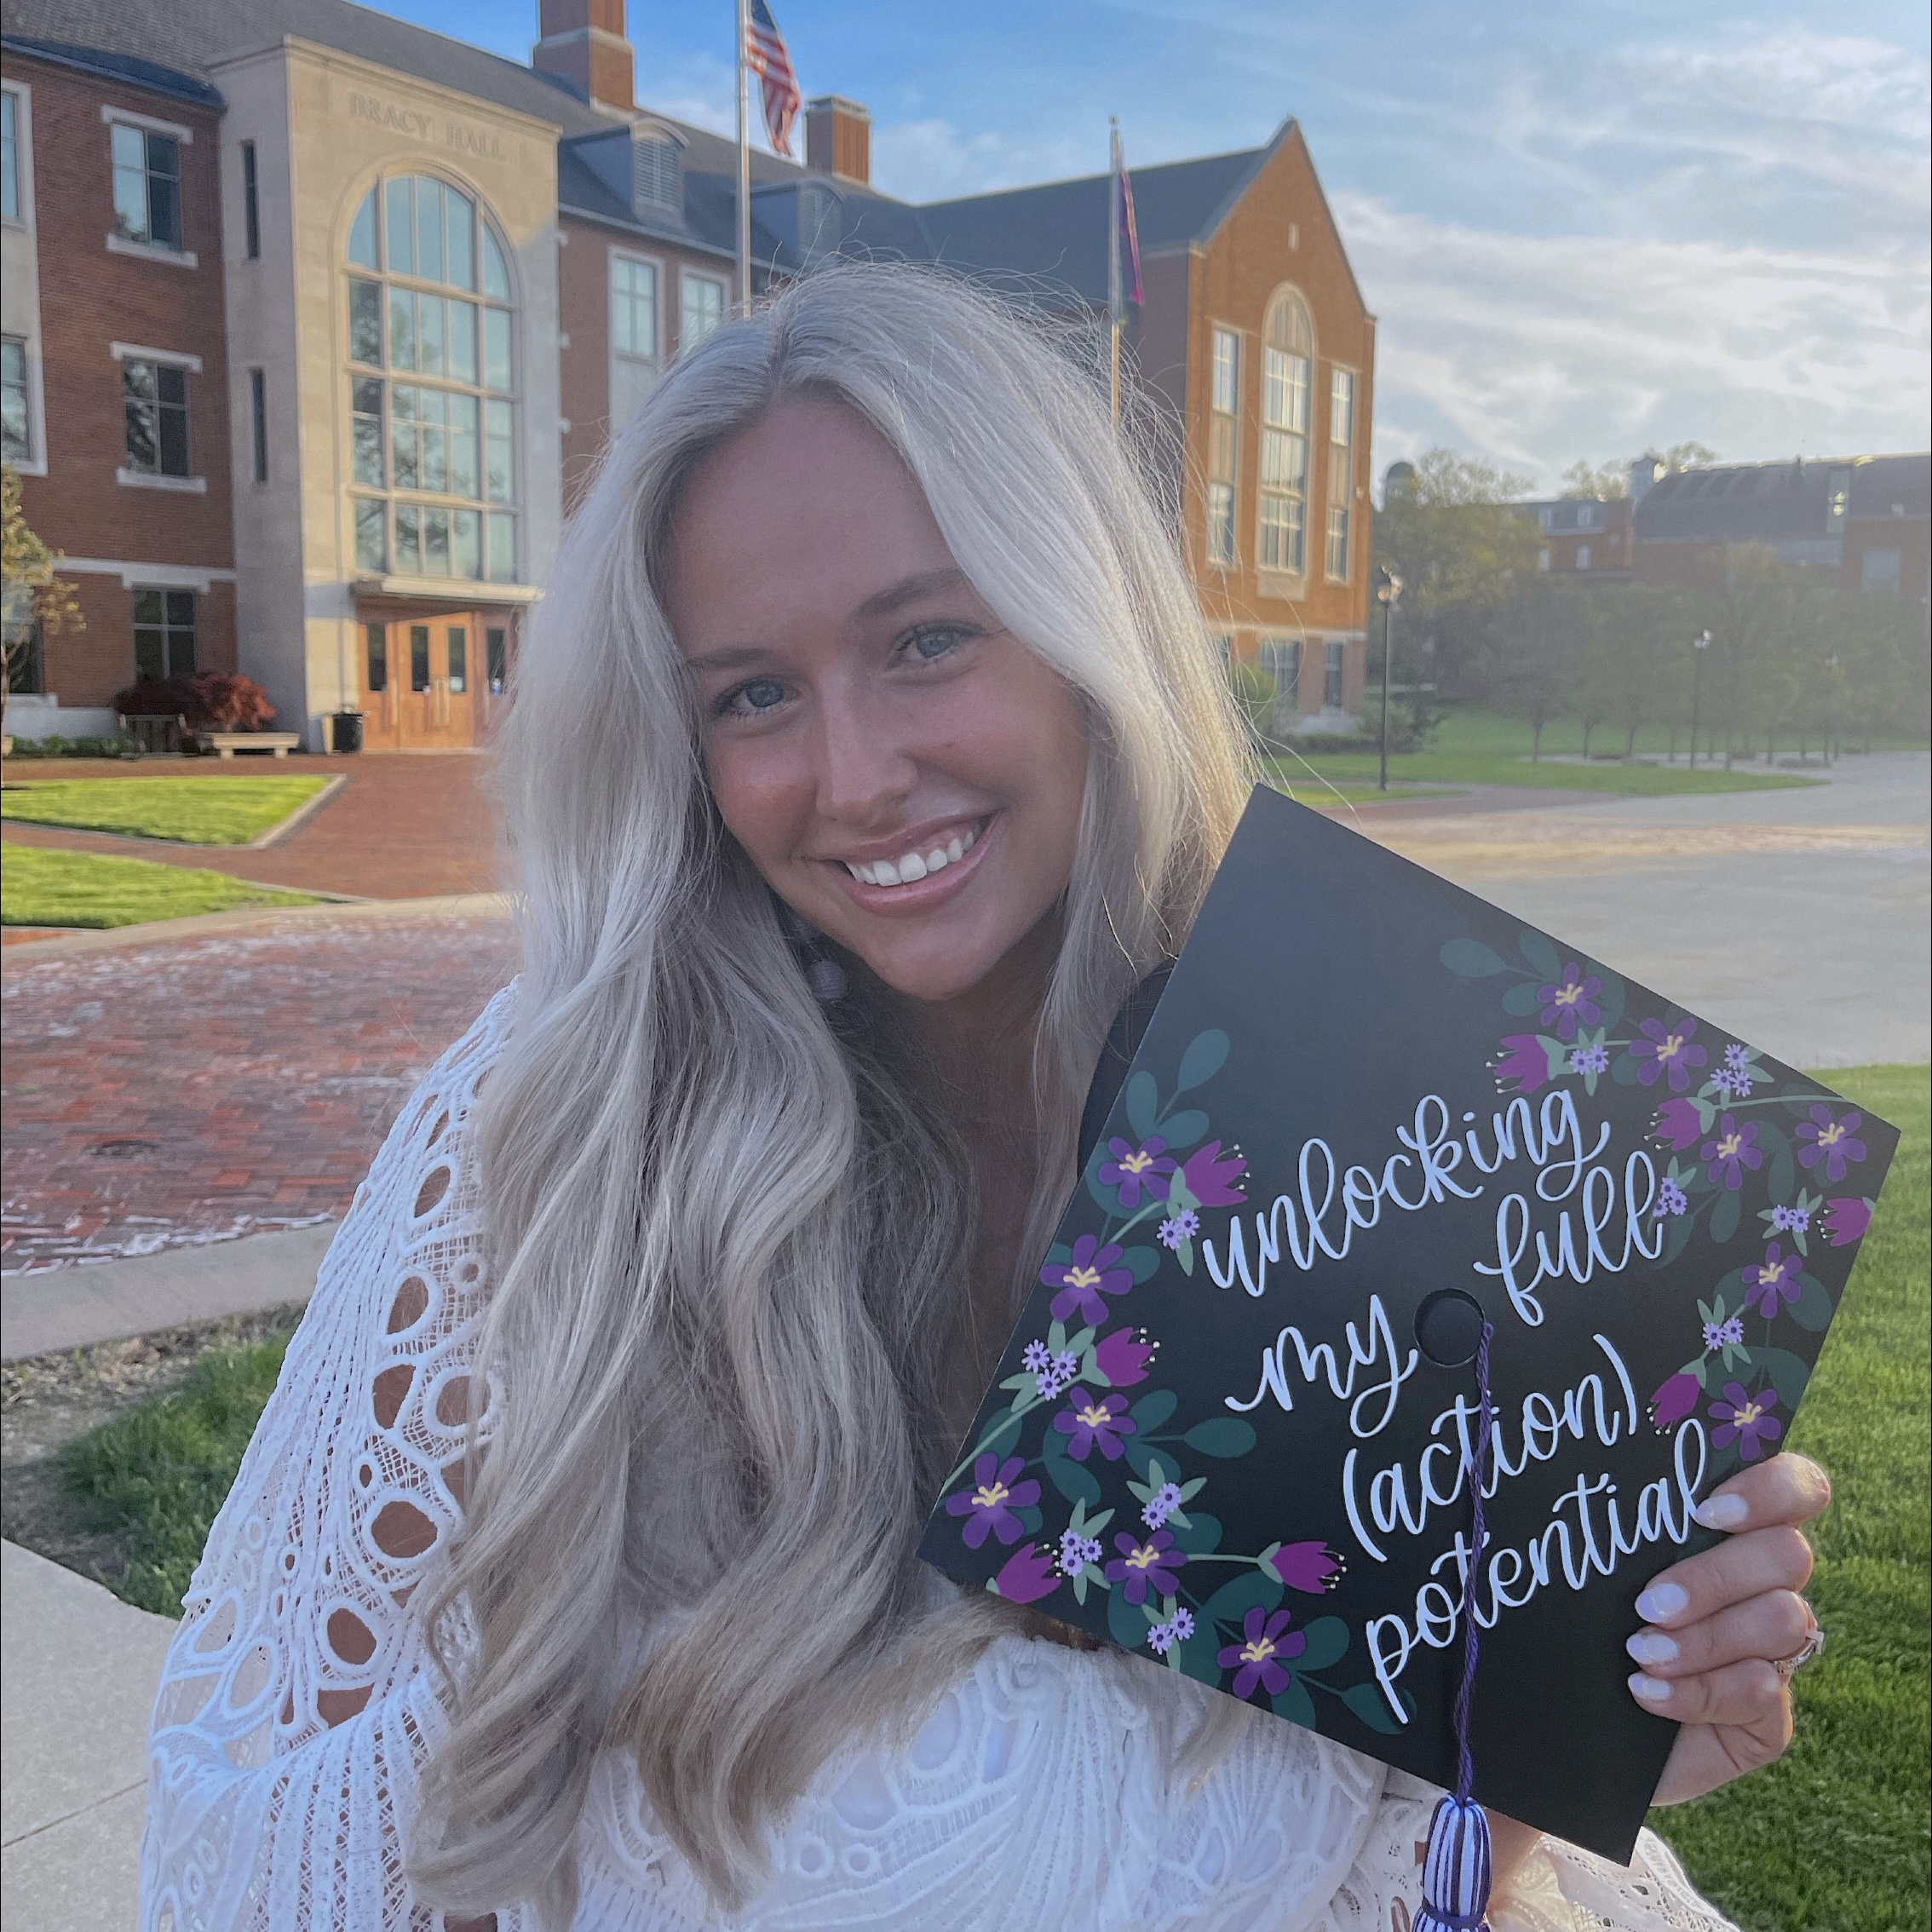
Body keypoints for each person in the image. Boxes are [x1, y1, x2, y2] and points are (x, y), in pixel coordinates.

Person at [140, 266, 1829, 1932]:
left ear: (1089, 635)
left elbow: (1404, 1885)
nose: (856, 775)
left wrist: (1557, 1751)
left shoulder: (1372, 1132)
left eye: (927, 639)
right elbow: (281, 1855)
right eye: (753, 693)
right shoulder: (557, 1133)